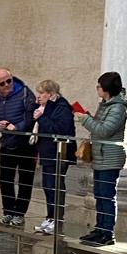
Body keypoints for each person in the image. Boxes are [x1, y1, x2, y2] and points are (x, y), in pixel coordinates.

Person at [75, 72, 127, 246]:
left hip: (110, 157)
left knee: (107, 196)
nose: (97, 89)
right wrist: (89, 117)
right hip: (100, 156)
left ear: (106, 88)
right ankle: (99, 228)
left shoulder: (118, 108)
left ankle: (107, 232)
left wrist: (85, 120)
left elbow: (104, 131)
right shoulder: (105, 105)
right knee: (99, 194)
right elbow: (98, 126)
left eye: (99, 86)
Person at [0, 68, 38, 228]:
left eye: (9, 80)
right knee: (5, 179)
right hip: (7, 143)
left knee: (25, 180)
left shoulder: (25, 94)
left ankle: (19, 214)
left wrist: (17, 127)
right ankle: (8, 211)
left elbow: (31, 118)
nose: (7, 85)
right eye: (2, 83)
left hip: (26, 145)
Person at [33, 79, 75, 236]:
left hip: (59, 153)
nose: (38, 96)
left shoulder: (62, 107)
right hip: (47, 152)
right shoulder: (46, 107)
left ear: (51, 94)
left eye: (41, 93)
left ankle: (57, 219)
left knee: (55, 187)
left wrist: (41, 118)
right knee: (47, 186)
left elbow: (59, 129)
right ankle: (50, 217)